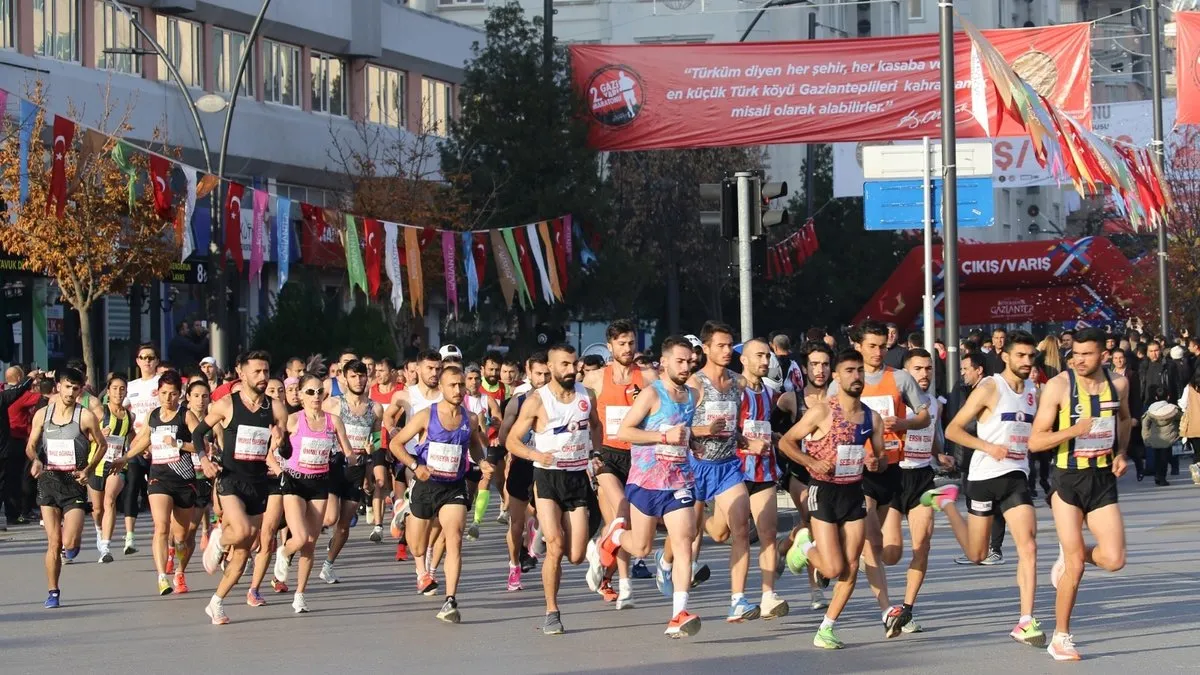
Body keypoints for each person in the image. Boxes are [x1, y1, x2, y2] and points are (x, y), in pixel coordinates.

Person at [936, 330, 1047, 649]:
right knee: (978, 553)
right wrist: (987, 446)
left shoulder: (1032, 391)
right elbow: (953, 429)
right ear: (1006, 357)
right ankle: (946, 504)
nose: (1027, 361)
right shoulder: (989, 387)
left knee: (1029, 546)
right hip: (983, 477)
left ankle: (1026, 620)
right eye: (1021, 356)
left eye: (1031, 356)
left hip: (1015, 476)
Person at [1029, 327, 1130, 661]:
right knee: (1076, 566)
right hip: (1067, 479)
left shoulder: (1119, 384)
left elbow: (1126, 419)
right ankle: (1061, 637)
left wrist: (1121, 453)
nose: (1080, 359)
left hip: (1102, 478)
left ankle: (1073, 551)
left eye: (1087, 354)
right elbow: (1035, 440)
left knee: (1114, 559)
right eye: (1075, 353)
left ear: (1103, 354)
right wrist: (1073, 430)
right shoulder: (1059, 386)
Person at [595, 336, 702, 637]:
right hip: (646, 480)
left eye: (689, 361)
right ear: (664, 362)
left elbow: (683, 430)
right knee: (641, 546)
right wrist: (662, 438)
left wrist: (692, 442)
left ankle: (678, 614)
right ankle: (615, 535)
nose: (685, 366)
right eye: (679, 361)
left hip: (679, 480)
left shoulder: (692, 395)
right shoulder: (652, 394)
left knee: (684, 541)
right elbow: (625, 431)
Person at [780, 349, 885, 649]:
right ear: (837, 377)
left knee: (851, 565)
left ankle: (827, 628)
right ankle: (803, 542)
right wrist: (811, 462)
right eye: (849, 371)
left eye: (860, 371)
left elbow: (880, 458)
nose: (856, 376)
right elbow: (787, 442)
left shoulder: (871, 417)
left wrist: (876, 462)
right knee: (831, 569)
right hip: (823, 491)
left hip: (853, 492)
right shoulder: (823, 411)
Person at [506, 343, 601, 635]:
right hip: (547, 477)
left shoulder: (587, 395)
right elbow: (511, 440)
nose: (571, 369)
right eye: (564, 365)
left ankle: (587, 549)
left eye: (574, 364)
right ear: (551, 367)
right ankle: (552, 611)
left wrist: (596, 455)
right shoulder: (537, 400)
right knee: (556, 546)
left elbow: (595, 426)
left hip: (576, 478)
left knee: (574, 555)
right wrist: (536, 455)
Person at [389, 365, 490, 623]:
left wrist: (483, 462)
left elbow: (476, 449)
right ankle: (406, 512)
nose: (458, 390)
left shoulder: (471, 419)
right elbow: (395, 443)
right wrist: (415, 466)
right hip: (426, 485)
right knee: (419, 546)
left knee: (454, 537)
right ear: (442, 388)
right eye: (452, 385)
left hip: (453, 487)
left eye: (460, 385)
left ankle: (450, 600)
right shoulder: (426, 416)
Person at [665, 322, 752, 621]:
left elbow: (732, 426)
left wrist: (743, 439)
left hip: (727, 466)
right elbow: (675, 428)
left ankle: (738, 600)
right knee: (687, 533)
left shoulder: (739, 384)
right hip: (694, 466)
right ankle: (665, 563)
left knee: (741, 527)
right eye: (721, 346)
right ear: (706, 349)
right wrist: (704, 430)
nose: (728, 351)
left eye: (730, 345)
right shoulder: (694, 385)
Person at [849, 320, 930, 636]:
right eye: (872, 345)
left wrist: (905, 422)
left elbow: (924, 416)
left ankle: (837, 548)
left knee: (891, 551)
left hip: (893, 468)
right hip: (859, 472)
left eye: (883, 346)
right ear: (859, 346)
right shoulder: (847, 380)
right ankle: (888, 611)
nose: (878, 351)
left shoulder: (900, 378)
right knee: (870, 543)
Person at [197, 350, 289, 625]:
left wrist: (281, 439)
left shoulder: (275, 408)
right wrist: (204, 459)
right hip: (230, 479)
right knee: (243, 531)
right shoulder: (226, 404)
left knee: (243, 552)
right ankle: (218, 539)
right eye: (257, 372)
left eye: (266, 371)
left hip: (258, 483)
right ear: (242, 373)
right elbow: (197, 432)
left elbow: (287, 446)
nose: (263, 377)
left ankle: (216, 603)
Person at [582, 319, 654, 608]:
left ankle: (607, 569)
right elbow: (578, 413)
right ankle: (625, 585)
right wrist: (587, 452)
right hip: (607, 456)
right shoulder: (595, 379)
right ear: (610, 346)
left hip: (639, 457)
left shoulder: (648, 376)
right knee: (621, 511)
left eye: (631, 343)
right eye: (621, 343)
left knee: (618, 524)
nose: (627, 348)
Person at [885, 348, 954, 635]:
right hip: (893, 475)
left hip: (923, 477)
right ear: (905, 373)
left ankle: (906, 609)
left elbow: (931, 434)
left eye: (928, 369)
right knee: (891, 554)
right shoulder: (893, 402)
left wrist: (940, 455)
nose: (924, 374)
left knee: (922, 544)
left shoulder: (934, 404)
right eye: (918, 369)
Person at [273, 373, 354, 613]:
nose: (316, 396)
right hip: (294, 484)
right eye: (310, 392)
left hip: (319, 484)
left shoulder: (333, 421)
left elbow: (348, 451)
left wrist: (356, 459)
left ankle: (299, 594)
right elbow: (272, 453)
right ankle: (284, 551)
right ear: (300, 395)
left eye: (320, 391)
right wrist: (280, 471)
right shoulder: (293, 420)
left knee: (310, 544)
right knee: (299, 538)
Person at [27, 368, 107, 608]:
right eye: (67, 386)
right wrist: (36, 460)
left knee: (68, 542)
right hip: (49, 480)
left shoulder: (85, 417)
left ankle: (75, 542)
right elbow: (31, 445)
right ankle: (53, 591)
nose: (71, 392)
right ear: (58, 386)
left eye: (76, 388)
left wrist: (89, 469)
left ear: (80, 390)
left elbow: (101, 445)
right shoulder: (42, 414)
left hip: (74, 482)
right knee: (53, 542)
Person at [120, 370, 202, 596]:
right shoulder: (153, 415)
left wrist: (178, 443)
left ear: (180, 394)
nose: (168, 398)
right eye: (164, 393)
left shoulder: (186, 416)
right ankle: (162, 577)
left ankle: (179, 571)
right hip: (159, 478)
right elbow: (143, 439)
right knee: (161, 527)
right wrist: (126, 457)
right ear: (158, 393)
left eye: (173, 394)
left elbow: (200, 445)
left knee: (181, 537)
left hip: (184, 480)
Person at [730, 338, 788, 618]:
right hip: (736, 471)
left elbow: (762, 426)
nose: (765, 361)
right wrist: (746, 443)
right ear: (743, 360)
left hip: (763, 469)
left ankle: (767, 596)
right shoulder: (734, 391)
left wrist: (773, 437)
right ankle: (738, 597)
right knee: (731, 532)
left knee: (768, 532)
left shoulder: (768, 391)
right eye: (759, 356)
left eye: (767, 356)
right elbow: (727, 431)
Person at [321, 359, 383, 581]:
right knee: (330, 518)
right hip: (333, 465)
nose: (358, 380)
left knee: (345, 524)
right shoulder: (333, 404)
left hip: (357, 469)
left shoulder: (375, 408)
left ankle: (328, 564)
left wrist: (371, 452)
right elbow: (317, 428)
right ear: (345, 379)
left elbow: (376, 439)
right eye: (353, 376)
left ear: (367, 377)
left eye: (362, 375)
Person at [943, 351, 1006, 566]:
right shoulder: (968, 389)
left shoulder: (988, 388)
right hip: (971, 455)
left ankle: (993, 549)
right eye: (961, 369)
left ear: (978, 370)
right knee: (975, 504)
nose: (962, 374)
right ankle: (977, 547)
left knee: (995, 505)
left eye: (965, 369)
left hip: (989, 455)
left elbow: (969, 425)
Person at [497, 353, 551, 592]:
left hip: (547, 465)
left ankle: (537, 534)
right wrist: (519, 448)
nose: (543, 378)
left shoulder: (561, 401)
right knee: (516, 523)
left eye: (547, 374)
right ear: (528, 373)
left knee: (547, 514)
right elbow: (503, 437)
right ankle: (514, 565)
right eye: (538, 373)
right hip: (522, 463)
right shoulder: (517, 401)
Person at [122, 343, 163, 555]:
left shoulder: (162, 382)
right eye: (143, 357)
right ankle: (129, 536)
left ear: (157, 361)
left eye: (151, 357)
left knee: (156, 492)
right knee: (132, 487)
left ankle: (160, 532)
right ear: (137, 361)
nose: (147, 361)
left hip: (160, 446)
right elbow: (121, 410)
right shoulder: (131, 386)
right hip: (137, 444)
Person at [87, 375, 132, 562]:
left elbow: (134, 438)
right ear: (108, 391)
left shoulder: (130, 415)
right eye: (115, 388)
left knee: (110, 500)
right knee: (97, 509)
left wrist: (146, 449)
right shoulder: (99, 413)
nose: (118, 392)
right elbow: (86, 435)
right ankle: (99, 529)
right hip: (96, 464)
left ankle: (105, 546)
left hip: (117, 464)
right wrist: (97, 435)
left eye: (122, 388)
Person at [1, 367, 40, 529]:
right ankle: (13, 514)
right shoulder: (4, 397)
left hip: (7, 446)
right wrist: (31, 379)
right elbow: (18, 392)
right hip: (7, 448)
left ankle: (13, 514)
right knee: (9, 483)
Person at [1141, 385, 1181, 487]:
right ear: (1168, 396)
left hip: (1155, 438)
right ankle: (1162, 477)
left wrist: (1146, 437)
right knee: (1165, 458)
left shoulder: (1150, 411)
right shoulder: (1173, 410)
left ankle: (1157, 476)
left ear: (1155, 397)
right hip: (1169, 438)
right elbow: (1182, 418)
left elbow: (1145, 423)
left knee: (1157, 458)